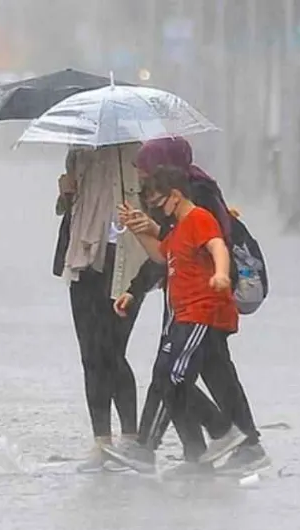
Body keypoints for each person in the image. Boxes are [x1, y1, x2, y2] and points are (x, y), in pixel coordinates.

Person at [103, 137, 268, 475]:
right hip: (187, 296)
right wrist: (135, 285)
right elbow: (166, 251)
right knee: (210, 373)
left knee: (171, 374)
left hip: (202, 300)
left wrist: (219, 275)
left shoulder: (197, 199)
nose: (145, 181)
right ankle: (220, 449)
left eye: (149, 172)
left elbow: (208, 244)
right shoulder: (170, 202)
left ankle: (163, 445)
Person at [53, 144, 148, 473]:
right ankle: (102, 441)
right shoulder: (78, 151)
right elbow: (69, 209)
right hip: (83, 260)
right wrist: (66, 193)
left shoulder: (138, 154)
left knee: (112, 350)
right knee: (90, 353)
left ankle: (131, 438)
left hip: (126, 262)